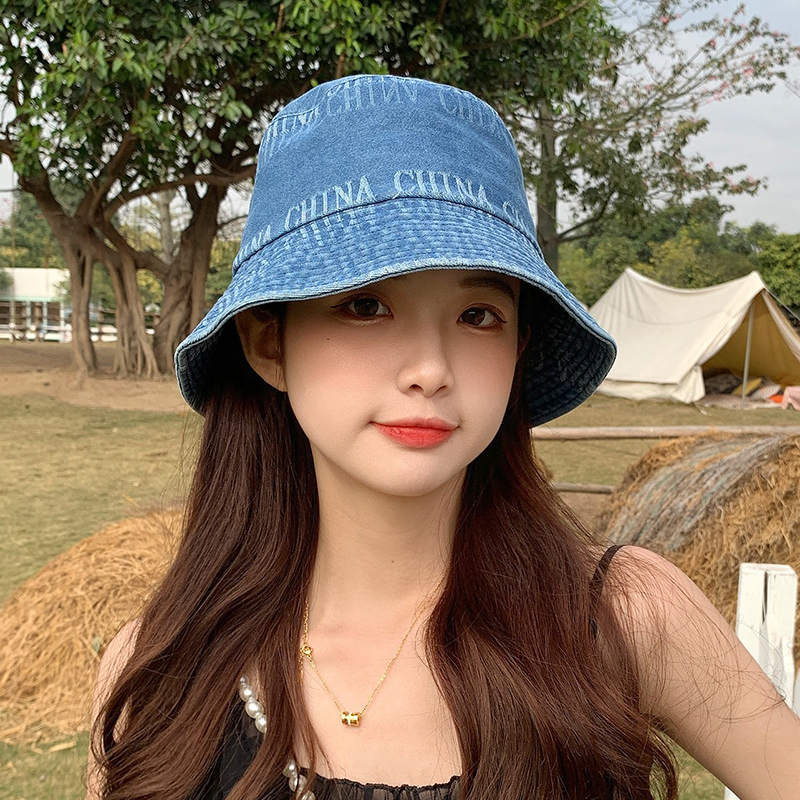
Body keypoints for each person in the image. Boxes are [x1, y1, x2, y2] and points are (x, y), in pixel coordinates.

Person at [86, 75, 800, 800]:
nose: (430, 370)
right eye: (367, 305)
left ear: (518, 344)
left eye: (478, 315)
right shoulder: (157, 677)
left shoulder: (626, 616)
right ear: (270, 342)